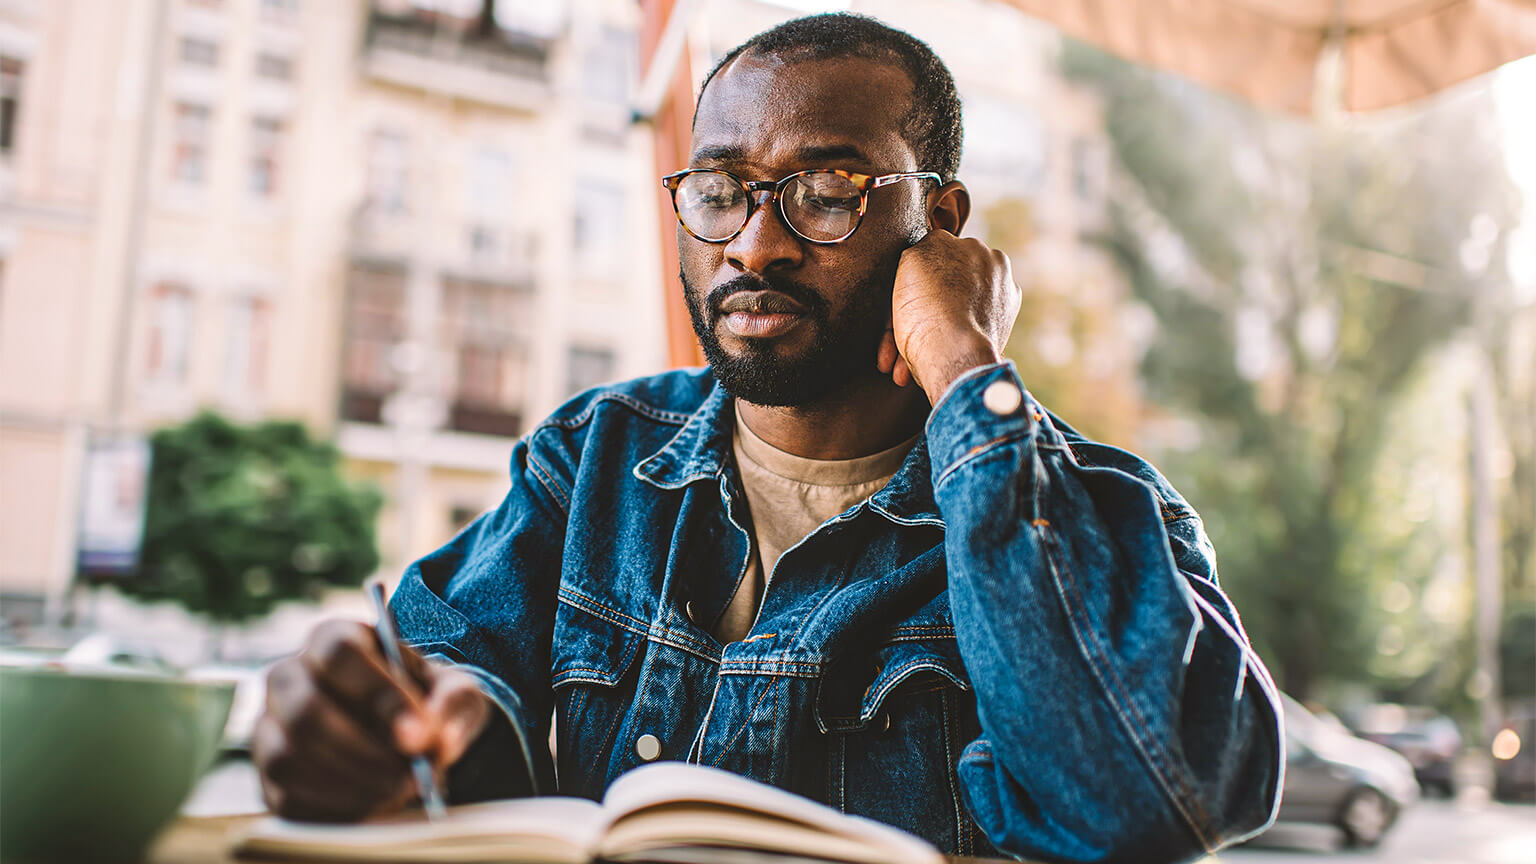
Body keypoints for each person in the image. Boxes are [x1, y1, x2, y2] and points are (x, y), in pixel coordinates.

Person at [254, 13, 1283, 863]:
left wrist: (966, 369)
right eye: (719, 190)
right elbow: (445, 670)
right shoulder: (597, 455)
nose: (755, 241)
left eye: (826, 191)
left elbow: (1149, 804)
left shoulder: (1097, 510)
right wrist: (396, 722)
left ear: (942, 220)